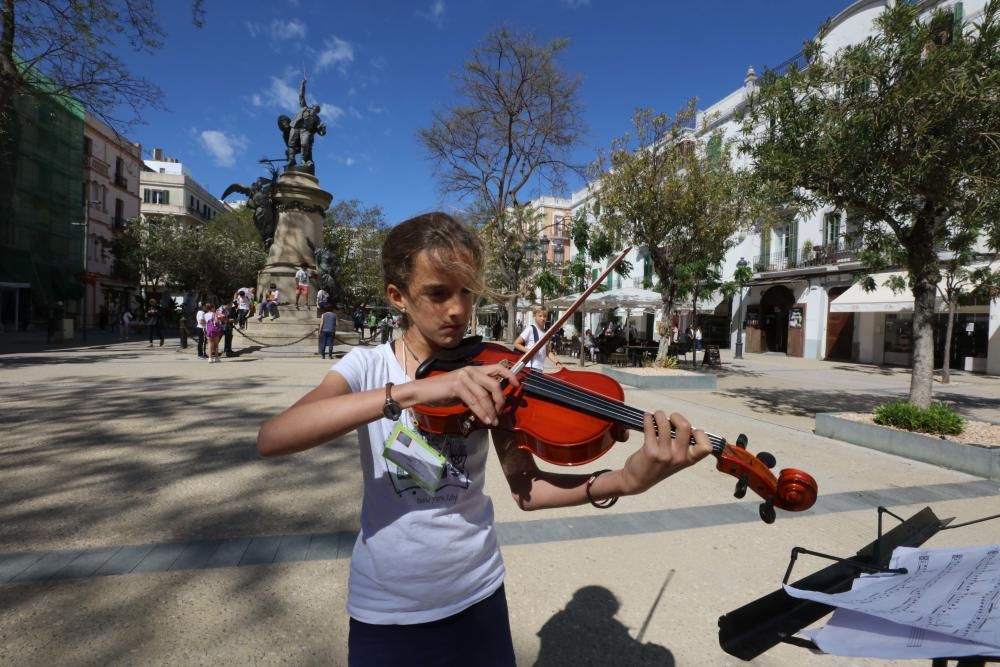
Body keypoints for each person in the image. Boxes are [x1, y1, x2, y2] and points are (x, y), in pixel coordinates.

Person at [256, 212, 712, 667]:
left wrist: (626, 480)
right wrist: (414, 391)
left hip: (479, 596)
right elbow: (274, 437)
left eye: (467, 292)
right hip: (387, 610)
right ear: (398, 296)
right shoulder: (367, 367)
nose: (458, 310)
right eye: (437, 293)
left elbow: (527, 491)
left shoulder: (493, 371)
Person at [513, 306, 564, 371]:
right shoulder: (531, 329)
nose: (542, 318)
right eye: (540, 316)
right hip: (530, 366)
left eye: (544, 316)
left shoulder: (546, 334)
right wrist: (529, 351)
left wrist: (557, 363)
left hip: (539, 368)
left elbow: (547, 352)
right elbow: (516, 343)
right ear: (534, 316)